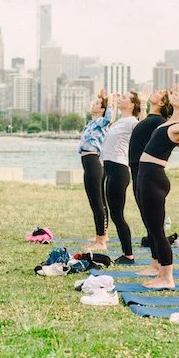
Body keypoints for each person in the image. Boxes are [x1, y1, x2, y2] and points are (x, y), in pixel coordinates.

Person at [135, 87, 179, 288]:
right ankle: (158, 270)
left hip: (154, 178)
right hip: (146, 176)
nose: (177, 94)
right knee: (152, 227)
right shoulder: (169, 122)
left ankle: (167, 278)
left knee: (157, 230)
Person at [89, 91, 142, 261]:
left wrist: (146, 104)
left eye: (125, 98)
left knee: (118, 215)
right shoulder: (120, 121)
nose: (121, 99)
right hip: (110, 170)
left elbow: (144, 131)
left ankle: (129, 255)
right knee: (114, 214)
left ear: (133, 104)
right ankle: (127, 253)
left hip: (119, 171)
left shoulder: (133, 122)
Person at [128, 89, 172, 245]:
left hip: (144, 169)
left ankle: (157, 241)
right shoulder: (150, 119)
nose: (155, 91)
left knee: (149, 210)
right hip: (136, 168)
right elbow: (141, 123)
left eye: (160, 93)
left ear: (161, 103)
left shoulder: (160, 121)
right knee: (143, 209)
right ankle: (151, 237)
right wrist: (143, 104)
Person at [78, 90, 111, 244]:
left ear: (103, 109)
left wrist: (108, 101)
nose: (94, 105)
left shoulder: (101, 122)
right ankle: (103, 234)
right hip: (87, 162)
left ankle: (101, 239)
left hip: (93, 161)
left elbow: (109, 118)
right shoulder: (92, 123)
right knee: (98, 201)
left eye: (98, 104)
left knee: (97, 201)